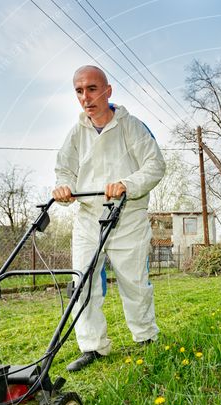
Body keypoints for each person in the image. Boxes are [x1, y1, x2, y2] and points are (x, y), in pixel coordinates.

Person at [52, 65, 166, 372]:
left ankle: (145, 337)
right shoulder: (76, 133)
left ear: (107, 91)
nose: (85, 97)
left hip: (127, 217)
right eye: (79, 91)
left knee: (135, 283)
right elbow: (64, 169)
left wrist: (127, 184)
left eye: (91, 89)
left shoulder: (131, 127)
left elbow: (155, 166)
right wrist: (64, 188)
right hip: (89, 218)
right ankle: (93, 347)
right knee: (83, 282)